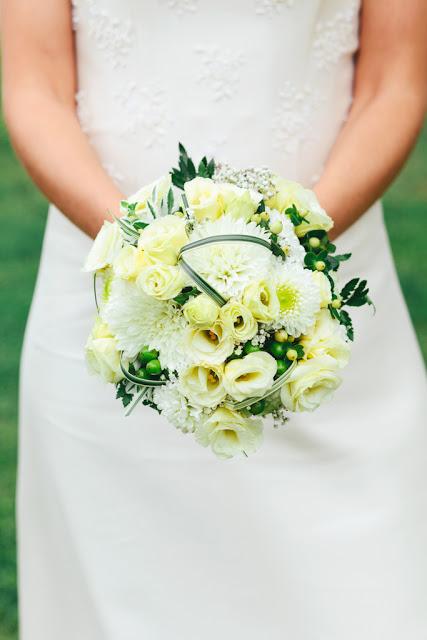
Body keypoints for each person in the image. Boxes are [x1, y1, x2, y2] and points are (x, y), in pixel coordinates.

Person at [2, 1, 427, 638]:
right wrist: (147, 254)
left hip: (322, 296)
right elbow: (34, 87)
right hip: (114, 302)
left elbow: (394, 83)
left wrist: (291, 255)